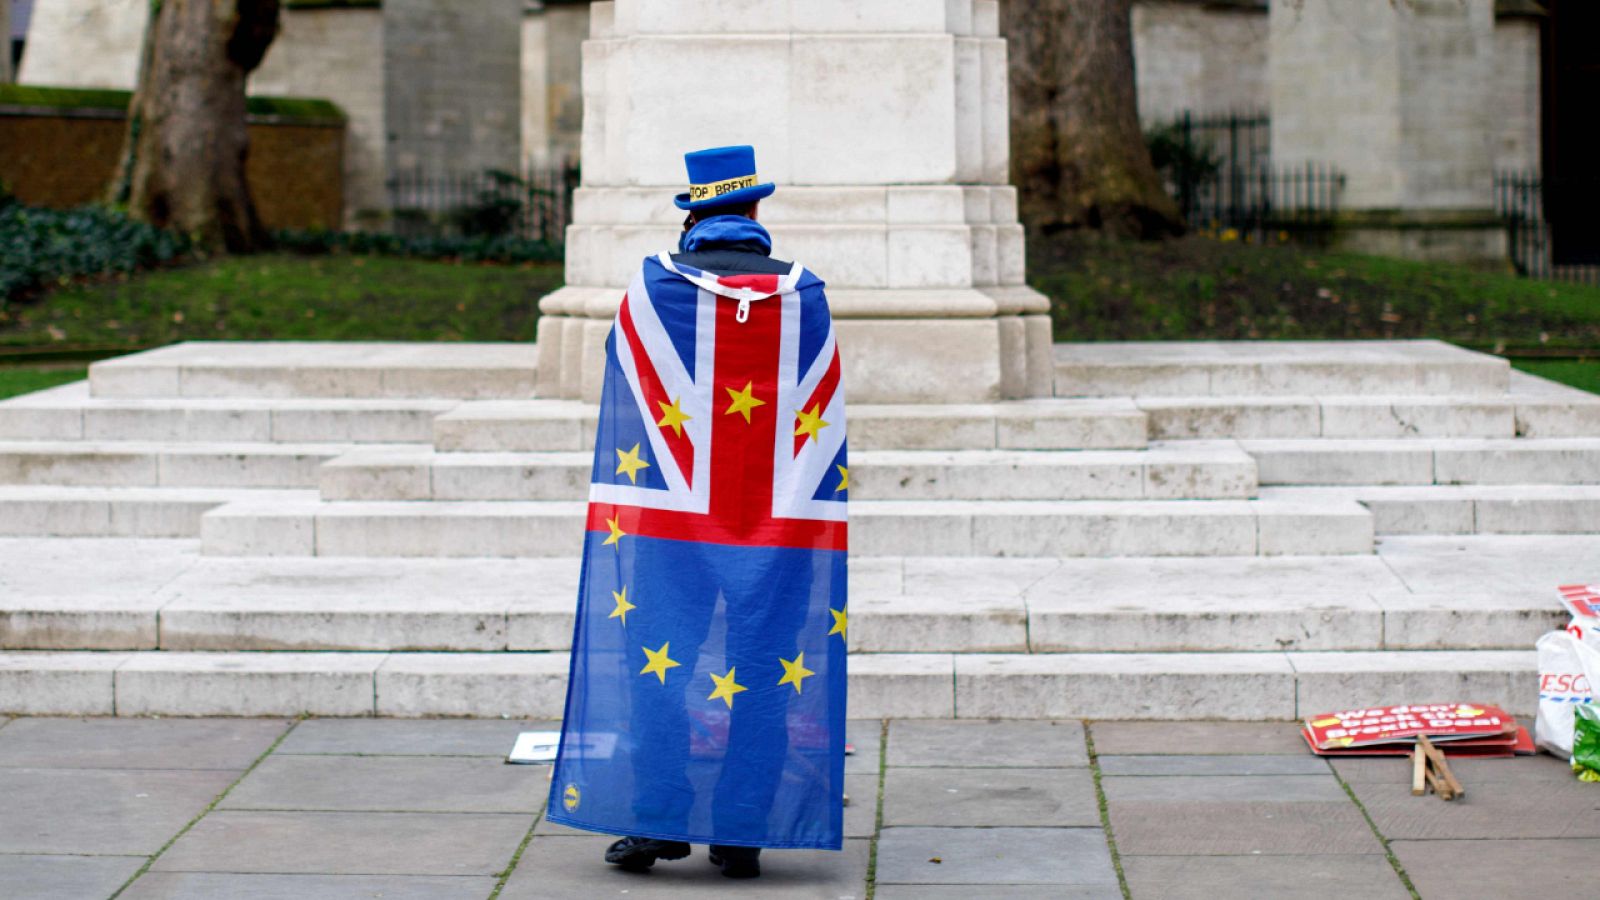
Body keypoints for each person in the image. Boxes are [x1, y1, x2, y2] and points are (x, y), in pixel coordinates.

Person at [545, 145, 849, 880]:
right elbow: (822, 404)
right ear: (753, 212)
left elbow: (625, 373)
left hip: (668, 519)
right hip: (777, 520)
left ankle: (656, 823)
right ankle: (742, 829)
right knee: (767, 669)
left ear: (694, 214)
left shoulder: (650, 291)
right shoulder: (806, 294)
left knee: (661, 667)